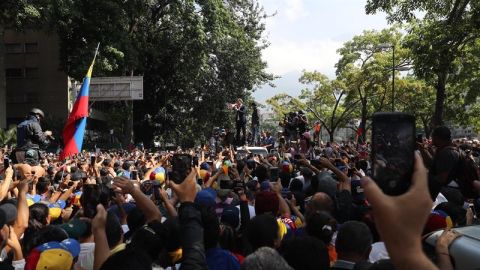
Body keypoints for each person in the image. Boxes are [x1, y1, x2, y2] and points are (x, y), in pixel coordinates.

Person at [419, 126, 460, 199]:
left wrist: (421, 177)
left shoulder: (447, 153)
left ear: (437, 138)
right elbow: (432, 164)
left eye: (433, 136)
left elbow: (441, 179)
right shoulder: (446, 150)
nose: (432, 139)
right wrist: (422, 149)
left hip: (443, 193)